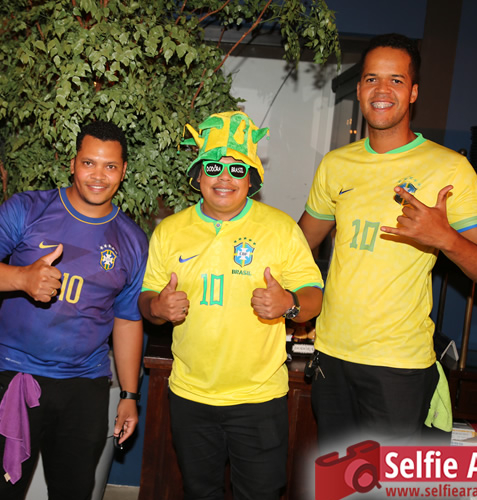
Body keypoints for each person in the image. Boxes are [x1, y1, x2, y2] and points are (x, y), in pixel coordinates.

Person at [298, 33, 477, 449]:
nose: (381, 90)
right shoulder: (336, 164)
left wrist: (445, 237)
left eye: (395, 80)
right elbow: (299, 243)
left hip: (397, 367)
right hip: (332, 358)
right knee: (336, 478)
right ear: (359, 89)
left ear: (413, 92)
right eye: (371, 79)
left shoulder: (449, 168)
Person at [0, 120, 148, 500]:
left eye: (110, 166)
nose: (98, 175)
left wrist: (129, 395)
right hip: (13, 376)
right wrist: (21, 277)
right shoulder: (29, 209)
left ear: (123, 171)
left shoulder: (132, 240)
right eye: (89, 163)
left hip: (84, 388)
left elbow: (127, 319)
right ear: (72, 164)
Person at [139, 110, 324, 499]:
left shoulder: (281, 229)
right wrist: (158, 307)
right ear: (198, 175)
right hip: (190, 395)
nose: (224, 177)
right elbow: (146, 300)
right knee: (199, 493)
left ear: (251, 178)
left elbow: (314, 298)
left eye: (237, 168)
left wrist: (288, 304)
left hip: (259, 399)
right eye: (213, 167)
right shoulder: (169, 232)